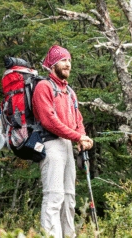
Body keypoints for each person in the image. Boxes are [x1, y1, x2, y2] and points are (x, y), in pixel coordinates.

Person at [32, 45, 94, 238]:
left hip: (67, 145)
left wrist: (81, 137)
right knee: (54, 197)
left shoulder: (69, 91)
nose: (68, 64)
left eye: (69, 61)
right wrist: (77, 136)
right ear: (52, 64)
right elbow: (49, 121)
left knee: (69, 198)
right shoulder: (44, 87)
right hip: (50, 143)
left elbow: (78, 120)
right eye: (63, 60)